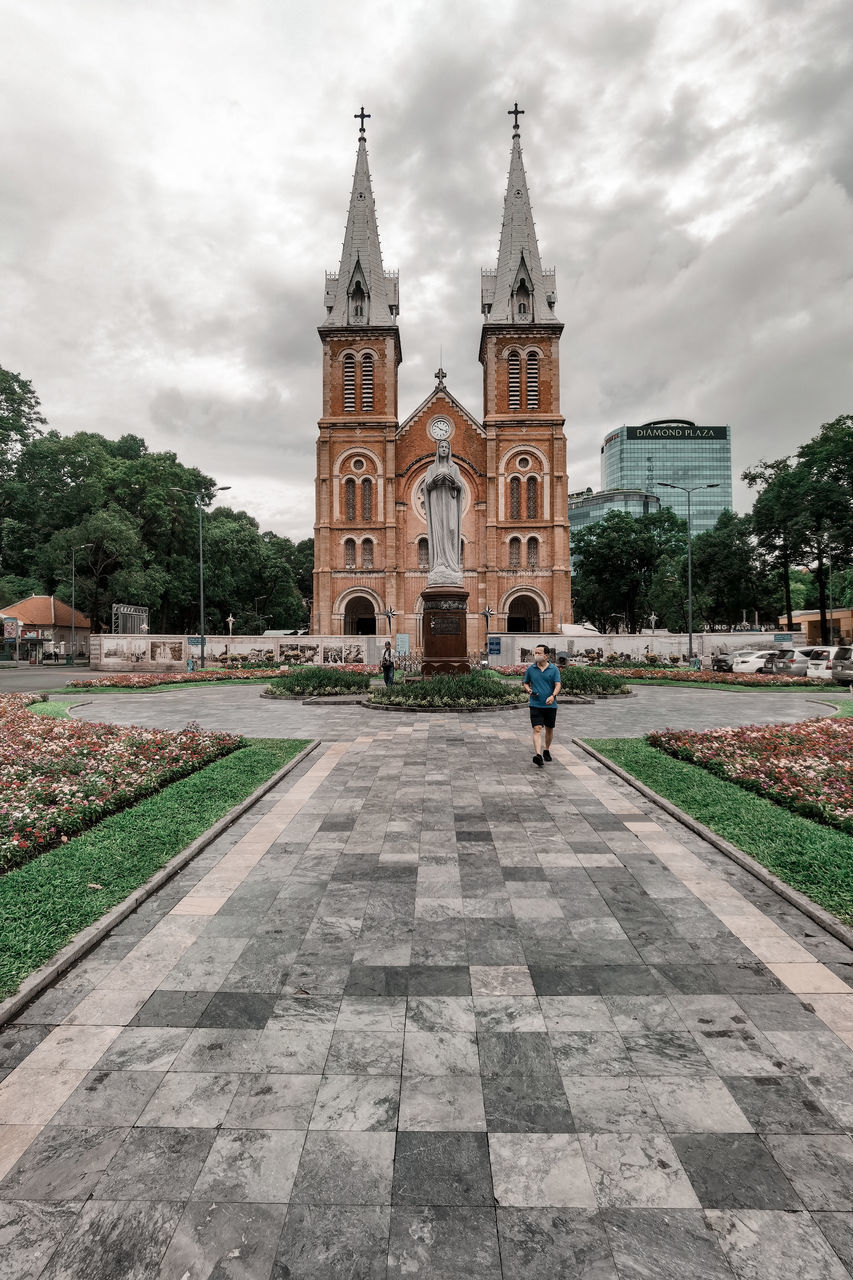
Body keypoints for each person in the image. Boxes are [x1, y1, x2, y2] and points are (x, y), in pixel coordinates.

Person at [522, 643, 561, 768]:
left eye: (539, 653)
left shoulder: (554, 669)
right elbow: (526, 683)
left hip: (550, 705)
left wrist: (553, 696)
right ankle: (538, 755)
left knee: (549, 729)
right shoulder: (531, 669)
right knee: (537, 729)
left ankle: (546, 749)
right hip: (535, 704)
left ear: (546, 655)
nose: (536, 655)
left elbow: (558, 685)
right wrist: (528, 690)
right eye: (535, 652)